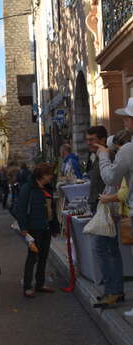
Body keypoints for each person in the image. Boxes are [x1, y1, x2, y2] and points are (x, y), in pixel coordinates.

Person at [95, 99, 133, 308]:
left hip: (127, 207)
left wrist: (103, 157)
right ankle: (114, 291)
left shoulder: (128, 149)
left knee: (106, 248)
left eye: (128, 117)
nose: (125, 121)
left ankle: (114, 291)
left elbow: (110, 177)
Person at [15, 163, 57, 298]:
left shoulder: (48, 188)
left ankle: (40, 284)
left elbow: (52, 210)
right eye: (49, 174)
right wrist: (23, 229)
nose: (51, 177)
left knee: (43, 257)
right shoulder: (28, 188)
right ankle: (27, 286)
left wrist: (54, 226)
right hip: (33, 228)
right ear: (42, 175)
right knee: (32, 257)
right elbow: (20, 209)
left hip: (46, 227)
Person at [86, 126, 108, 214]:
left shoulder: (108, 156)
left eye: (91, 140)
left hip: (103, 204)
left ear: (102, 140)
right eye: (87, 140)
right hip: (95, 203)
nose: (88, 143)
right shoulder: (94, 155)